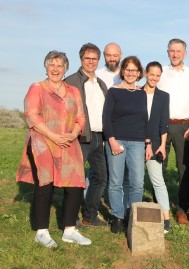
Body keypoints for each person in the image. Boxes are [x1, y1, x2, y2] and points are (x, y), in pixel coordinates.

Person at [16, 50, 91, 247]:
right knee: (45, 183)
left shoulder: (73, 91)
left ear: (65, 68)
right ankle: (41, 231)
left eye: (60, 65)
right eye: (52, 65)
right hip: (43, 140)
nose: (55, 69)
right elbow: (32, 115)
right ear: (46, 67)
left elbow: (81, 117)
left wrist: (74, 134)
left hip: (68, 141)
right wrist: (53, 136)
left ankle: (69, 230)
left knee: (75, 183)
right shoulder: (37, 88)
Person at [157, 38, 189, 225]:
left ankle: (182, 209)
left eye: (178, 51)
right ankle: (159, 206)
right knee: (158, 166)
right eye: (171, 51)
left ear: (185, 53)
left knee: (184, 169)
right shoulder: (161, 73)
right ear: (167, 52)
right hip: (162, 126)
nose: (175, 54)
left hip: (185, 127)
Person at [103, 56, 150, 233]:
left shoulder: (141, 93)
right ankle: (117, 216)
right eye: (128, 70)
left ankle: (132, 214)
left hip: (137, 142)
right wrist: (112, 140)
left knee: (137, 182)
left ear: (139, 73)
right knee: (116, 181)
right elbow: (106, 118)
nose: (131, 73)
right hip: (117, 140)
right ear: (122, 71)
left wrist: (148, 143)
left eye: (134, 70)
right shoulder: (113, 92)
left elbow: (144, 119)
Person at [64, 43, 108, 227]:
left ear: (98, 60)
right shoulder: (72, 81)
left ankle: (90, 215)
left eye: (94, 59)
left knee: (100, 177)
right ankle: (71, 217)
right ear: (81, 59)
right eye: (87, 58)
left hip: (99, 137)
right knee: (74, 178)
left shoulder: (100, 83)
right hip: (81, 137)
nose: (91, 62)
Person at [142, 61, 172, 233]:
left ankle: (166, 218)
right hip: (136, 142)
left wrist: (162, 146)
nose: (154, 78)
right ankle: (130, 213)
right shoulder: (136, 93)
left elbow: (164, 123)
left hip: (155, 145)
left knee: (158, 181)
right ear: (146, 74)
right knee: (135, 182)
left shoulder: (163, 96)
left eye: (157, 75)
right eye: (151, 74)